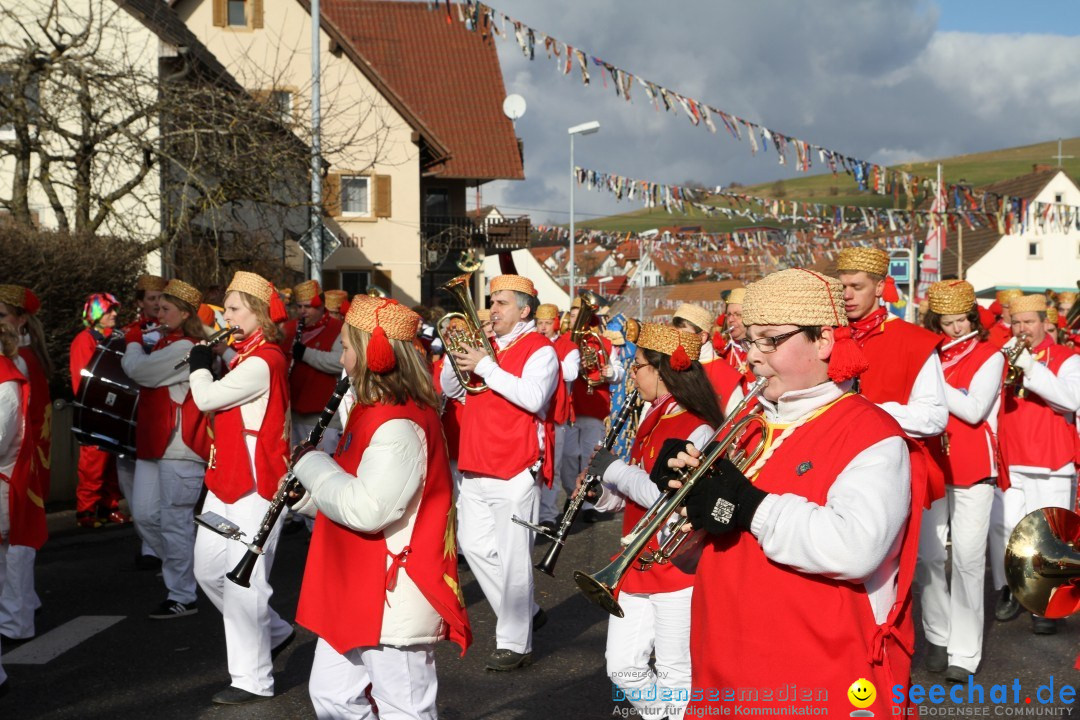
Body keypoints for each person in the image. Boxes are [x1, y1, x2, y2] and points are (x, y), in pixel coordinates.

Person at [653, 268, 921, 717]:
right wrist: (682, 500)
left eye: (771, 341)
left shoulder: (873, 434)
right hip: (724, 661)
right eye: (751, 341)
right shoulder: (747, 426)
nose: (752, 358)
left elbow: (854, 548)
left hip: (815, 670)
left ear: (824, 341)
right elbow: (690, 552)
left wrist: (752, 506)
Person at [289, 296, 471, 719]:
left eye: (349, 347)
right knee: (333, 696)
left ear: (374, 353)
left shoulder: (399, 423)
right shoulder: (373, 411)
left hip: (393, 590)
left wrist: (311, 463)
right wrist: (308, 496)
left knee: (404, 709)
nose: (342, 357)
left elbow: (370, 509)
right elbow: (355, 489)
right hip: (358, 581)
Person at [586, 323, 722, 720]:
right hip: (636, 559)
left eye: (639, 365)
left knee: (676, 673)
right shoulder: (652, 418)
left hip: (678, 563)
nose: (632, 373)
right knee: (622, 668)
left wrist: (614, 471)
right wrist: (602, 495)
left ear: (662, 372)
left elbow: (670, 499)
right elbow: (636, 487)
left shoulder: (698, 427)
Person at [440, 274, 559, 671]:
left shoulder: (541, 350)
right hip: (474, 463)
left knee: (513, 559)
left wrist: (486, 366)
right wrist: (452, 354)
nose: (492, 310)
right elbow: (452, 391)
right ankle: (528, 611)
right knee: (473, 548)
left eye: (502, 303)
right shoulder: (485, 347)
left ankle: (515, 643)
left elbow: (532, 397)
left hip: (515, 465)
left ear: (524, 310)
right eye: (492, 302)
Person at [188, 271, 295, 704]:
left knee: (244, 581)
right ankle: (275, 631)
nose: (224, 317)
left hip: (256, 484)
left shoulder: (263, 360)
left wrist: (198, 367)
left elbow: (207, 399)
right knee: (208, 570)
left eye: (233, 309)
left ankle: (253, 679)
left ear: (258, 314)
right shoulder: (243, 354)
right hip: (227, 477)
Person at [916, 281, 1005, 682]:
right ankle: (937, 634)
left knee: (968, 561)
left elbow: (972, 409)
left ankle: (965, 653)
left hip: (973, 466)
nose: (954, 329)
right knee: (930, 556)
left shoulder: (991, 354)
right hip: (933, 461)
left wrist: (931, 381)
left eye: (961, 321)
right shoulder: (928, 353)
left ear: (973, 319)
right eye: (946, 322)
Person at [120, 280, 209, 620]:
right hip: (154, 442)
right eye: (158, 308)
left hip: (179, 445)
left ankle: (183, 593)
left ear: (185, 315)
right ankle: (185, 570)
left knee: (175, 523)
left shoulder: (185, 346)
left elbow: (140, 372)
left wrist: (131, 343)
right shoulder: (167, 342)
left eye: (166, 309)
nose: (158, 313)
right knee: (143, 517)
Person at [993, 294, 1080, 635]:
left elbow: (1069, 400)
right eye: (1016, 322)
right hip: (1012, 456)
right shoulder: (1002, 357)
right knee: (1006, 530)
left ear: (1045, 322)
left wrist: (1030, 366)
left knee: (1051, 539)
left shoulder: (1067, 358)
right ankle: (1011, 589)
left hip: (1051, 458)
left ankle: (1047, 603)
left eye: (1029, 322)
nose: (1021, 329)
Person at [836, 247, 947, 504]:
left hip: (896, 472)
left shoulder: (915, 341)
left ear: (878, 288)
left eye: (856, 286)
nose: (847, 295)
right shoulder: (828, 336)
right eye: (842, 287)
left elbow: (934, 417)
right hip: (838, 467)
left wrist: (867, 411)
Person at [0, 285, 51, 641]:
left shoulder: (19, 363)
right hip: (17, 462)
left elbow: (15, 424)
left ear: (19, 320)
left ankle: (16, 620)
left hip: (13, 466)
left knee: (15, 547)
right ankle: (19, 611)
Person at [564, 296, 625, 524]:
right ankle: (572, 492)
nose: (574, 318)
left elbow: (619, 372)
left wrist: (612, 373)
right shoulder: (565, 340)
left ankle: (588, 502)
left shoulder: (604, 342)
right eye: (572, 313)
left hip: (595, 405)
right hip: (570, 406)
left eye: (577, 313)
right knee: (568, 457)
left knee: (590, 456)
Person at [70, 293, 128, 529]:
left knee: (111, 461)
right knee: (93, 462)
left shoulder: (114, 337)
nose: (114, 314)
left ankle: (108, 506)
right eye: (108, 311)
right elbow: (82, 379)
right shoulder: (84, 340)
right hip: (95, 411)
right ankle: (86, 511)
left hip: (113, 410)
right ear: (96, 315)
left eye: (114, 310)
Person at [284, 279, 346, 453]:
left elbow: (339, 362)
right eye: (299, 307)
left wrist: (304, 353)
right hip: (293, 412)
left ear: (321, 306)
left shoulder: (338, 328)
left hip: (324, 417)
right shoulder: (289, 329)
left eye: (308, 307)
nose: (303, 312)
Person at [535, 304, 579, 531]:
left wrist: (544, 359)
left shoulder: (568, 347)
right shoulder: (531, 343)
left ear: (555, 323)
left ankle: (548, 514)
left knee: (553, 465)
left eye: (546, 323)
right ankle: (533, 512)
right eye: (539, 323)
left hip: (556, 416)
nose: (542, 328)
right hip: (533, 415)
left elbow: (571, 372)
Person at [672, 303, 744, 416]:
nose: (678, 342)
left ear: (703, 337)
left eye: (684, 336)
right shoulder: (674, 365)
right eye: (674, 336)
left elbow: (736, 421)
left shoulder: (725, 373)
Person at [718, 287, 753, 385]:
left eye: (737, 314)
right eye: (729, 314)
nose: (730, 320)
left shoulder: (764, 352)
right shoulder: (722, 352)